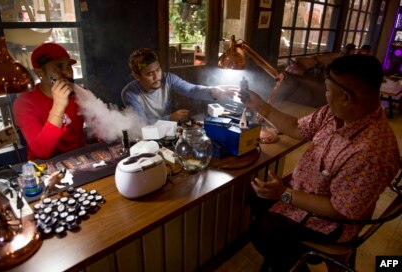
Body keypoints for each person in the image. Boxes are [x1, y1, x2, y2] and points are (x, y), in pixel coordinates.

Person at [243, 54, 400, 271]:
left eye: (327, 90)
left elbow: (339, 210)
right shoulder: (334, 114)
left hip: (330, 222)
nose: (326, 96)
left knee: (263, 233)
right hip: (308, 191)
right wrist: (262, 107)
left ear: (346, 97)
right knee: (254, 198)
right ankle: (284, 253)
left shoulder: (372, 152)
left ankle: (292, 261)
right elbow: (298, 128)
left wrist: (285, 194)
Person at [121, 48, 236, 125]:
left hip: (169, 132)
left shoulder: (168, 79)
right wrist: (170, 118)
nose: (157, 77)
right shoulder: (130, 93)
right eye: (150, 74)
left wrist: (213, 91)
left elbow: (191, 89)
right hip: (147, 140)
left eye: (158, 70)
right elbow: (143, 125)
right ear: (137, 76)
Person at [13, 42, 86, 160]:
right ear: (40, 73)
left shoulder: (80, 93)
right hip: (46, 168)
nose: (67, 73)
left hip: (81, 160)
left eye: (68, 66)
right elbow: (42, 151)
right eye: (59, 67)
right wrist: (58, 106)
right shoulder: (24, 103)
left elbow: (101, 126)